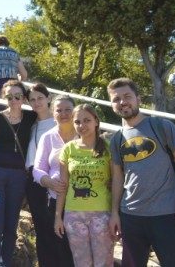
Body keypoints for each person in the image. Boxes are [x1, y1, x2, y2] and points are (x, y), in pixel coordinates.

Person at [107, 78, 175, 266]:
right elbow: (117, 178)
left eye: (127, 96)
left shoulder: (162, 126)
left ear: (138, 98)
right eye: (116, 99)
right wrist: (115, 212)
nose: (122, 102)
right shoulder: (116, 139)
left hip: (166, 214)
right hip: (130, 216)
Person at [0, 80, 38, 267]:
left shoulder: (31, 117)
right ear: (3, 97)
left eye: (18, 96)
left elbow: (46, 109)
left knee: (11, 225)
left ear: (24, 98)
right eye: (9, 96)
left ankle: (4, 262)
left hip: (19, 177)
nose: (13, 100)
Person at [54, 104, 113, 267]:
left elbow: (115, 183)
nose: (82, 125)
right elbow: (63, 185)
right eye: (77, 122)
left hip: (102, 213)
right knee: (81, 263)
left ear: (96, 121)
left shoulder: (108, 147)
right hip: (73, 215)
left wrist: (116, 214)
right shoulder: (68, 149)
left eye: (87, 120)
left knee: (104, 263)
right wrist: (58, 217)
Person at [32, 96, 76, 266]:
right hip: (57, 202)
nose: (63, 113)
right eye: (59, 110)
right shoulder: (48, 137)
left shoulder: (85, 134)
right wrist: (48, 182)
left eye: (68, 109)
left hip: (85, 203)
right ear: (52, 112)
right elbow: (38, 169)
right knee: (61, 250)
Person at [24, 83, 59, 267]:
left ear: (48, 98)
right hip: (33, 180)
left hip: (55, 182)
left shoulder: (59, 121)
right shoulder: (30, 123)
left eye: (40, 98)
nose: (37, 102)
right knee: (41, 228)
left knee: (57, 228)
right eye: (32, 99)